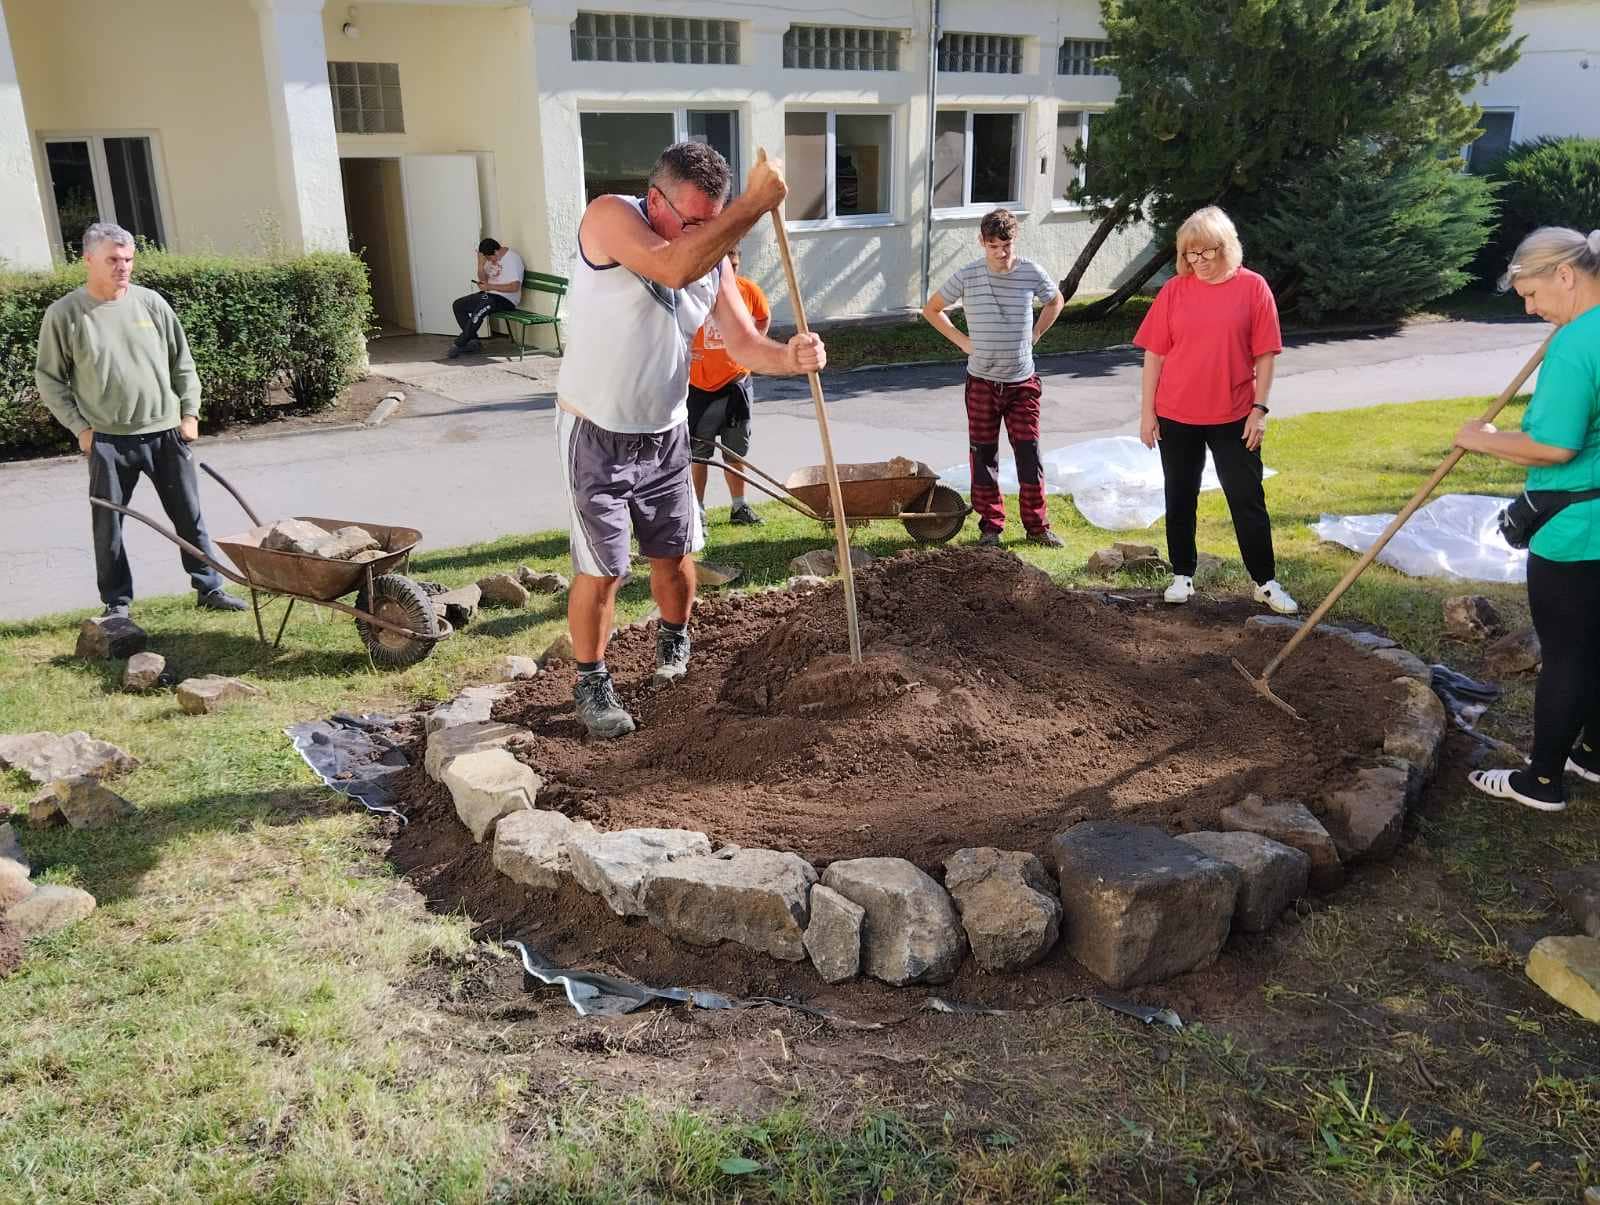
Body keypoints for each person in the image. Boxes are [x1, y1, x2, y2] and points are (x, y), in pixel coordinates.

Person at [555, 142, 826, 739]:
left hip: (667, 432)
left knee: (676, 556)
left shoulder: (712, 260)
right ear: (655, 199)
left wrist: (790, 357)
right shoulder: (608, 217)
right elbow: (673, 267)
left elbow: (745, 345)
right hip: (596, 430)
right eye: (694, 222)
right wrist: (754, 204)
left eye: (714, 222)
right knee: (603, 569)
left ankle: (674, 642)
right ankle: (592, 682)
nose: (707, 237)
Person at [34, 222, 246, 618]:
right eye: (113, 260)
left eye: (129, 259)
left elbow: (182, 363)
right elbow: (48, 379)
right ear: (88, 260)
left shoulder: (151, 303)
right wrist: (81, 429)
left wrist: (190, 413)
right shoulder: (65, 314)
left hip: (166, 433)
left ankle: (209, 588)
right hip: (108, 440)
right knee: (109, 526)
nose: (123, 267)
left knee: (190, 517)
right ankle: (117, 604)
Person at [1459, 227, 1600, 813]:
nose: (1530, 309)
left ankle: (1541, 782)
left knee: (1568, 653)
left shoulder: (1576, 342)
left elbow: (1555, 446)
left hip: (1577, 527)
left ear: (1565, 275)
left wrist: (1483, 439)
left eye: (1532, 294)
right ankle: (1593, 753)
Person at [1134, 205, 1298, 615]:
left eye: (1206, 251)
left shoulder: (1253, 288)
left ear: (1226, 247)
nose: (1198, 261)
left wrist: (1259, 409)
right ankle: (1181, 575)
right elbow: (1154, 355)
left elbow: (1265, 355)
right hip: (1176, 413)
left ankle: (1265, 582)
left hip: (1235, 415)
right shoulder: (1175, 291)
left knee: (1246, 497)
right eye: (1190, 253)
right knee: (1179, 495)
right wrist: (1147, 413)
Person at [921, 208, 1066, 547]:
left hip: (1022, 383)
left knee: (1029, 454)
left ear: (1015, 240)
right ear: (982, 242)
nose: (1001, 253)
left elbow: (1055, 301)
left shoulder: (1030, 271)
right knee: (983, 456)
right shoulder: (968, 275)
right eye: (994, 246)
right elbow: (932, 309)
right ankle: (991, 527)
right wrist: (963, 342)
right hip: (982, 383)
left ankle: (1037, 527)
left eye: (1007, 245)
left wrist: (1036, 333)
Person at [688, 244, 771, 526]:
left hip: (736, 386)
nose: (729, 270)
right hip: (699, 388)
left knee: (735, 453)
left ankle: (739, 507)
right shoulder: (694, 291)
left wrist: (752, 347)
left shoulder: (748, 291)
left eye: (734, 264)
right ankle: (698, 510)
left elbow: (763, 317)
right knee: (699, 454)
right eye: (723, 265)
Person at [447, 238, 524, 358]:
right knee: (458, 305)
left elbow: (515, 287)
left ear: (496, 252)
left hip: (506, 299)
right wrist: (480, 264)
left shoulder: (512, 259)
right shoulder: (490, 258)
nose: (489, 261)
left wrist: (490, 286)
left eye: (489, 258)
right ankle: (473, 341)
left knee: (480, 309)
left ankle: (459, 343)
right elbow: (483, 279)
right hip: (489, 295)